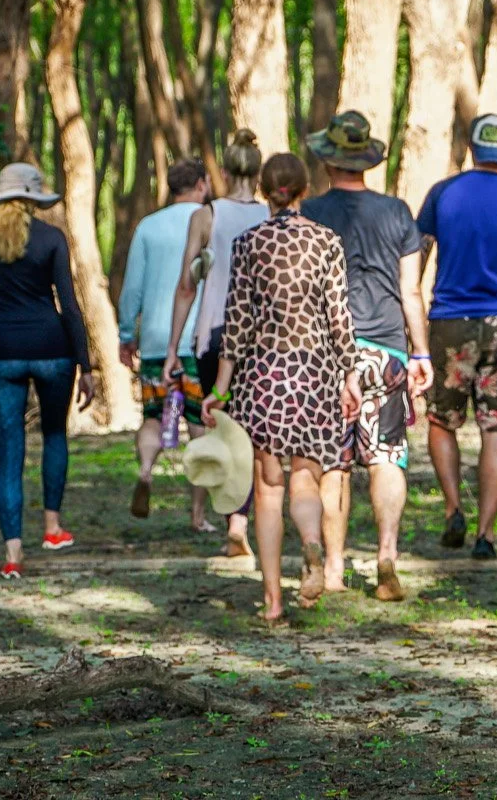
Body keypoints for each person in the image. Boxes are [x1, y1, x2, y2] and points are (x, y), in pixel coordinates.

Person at [205, 153, 361, 623]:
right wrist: (350, 376)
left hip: (264, 376)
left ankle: (273, 601)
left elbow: (237, 323)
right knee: (306, 478)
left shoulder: (248, 243)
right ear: (304, 191)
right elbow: (339, 317)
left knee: (268, 490)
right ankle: (312, 545)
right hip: (313, 375)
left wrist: (220, 389)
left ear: (264, 190)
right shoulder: (327, 242)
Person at [302, 110, 431, 602]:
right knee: (387, 456)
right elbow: (411, 291)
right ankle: (386, 555)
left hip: (328, 354)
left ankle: (334, 567)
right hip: (387, 350)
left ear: (328, 160)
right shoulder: (397, 213)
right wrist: (420, 352)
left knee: (333, 462)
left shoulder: (310, 213)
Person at [416, 113, 497, 559]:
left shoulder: (443, 193)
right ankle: (486, 534)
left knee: (441, 420)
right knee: (496, 429)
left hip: (450, 320)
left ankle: (454, 507)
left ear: (471, 149)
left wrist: (411, 305)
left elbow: (419, 252)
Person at [0, 163, 95, 578]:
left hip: (0, 352)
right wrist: (86, 364)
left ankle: (13, 553)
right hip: (53, 350)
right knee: (54, 434)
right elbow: (69, 305)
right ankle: (52, 528)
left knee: (10, 451)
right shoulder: (52, 238)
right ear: (35, 199)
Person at [168, 132, 269, 557]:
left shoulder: (206, 216)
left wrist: (173, 347)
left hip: (215, 333)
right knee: (260, 431)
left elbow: (186, 285)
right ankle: (255, 517)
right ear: (259, 173)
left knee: (225, 426)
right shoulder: (272, 214)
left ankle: (235, 522)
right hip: (264, 339)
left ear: (223, 172)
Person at [117, 158, 209, 524]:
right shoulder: (209, 222)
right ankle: (198, 513)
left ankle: (145, 470)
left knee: (153, 415)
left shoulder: (148, 226)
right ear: (201, 184)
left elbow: (133, 287)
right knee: (201, 424)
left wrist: (127, 334)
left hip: (156, 340)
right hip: (198, 340)